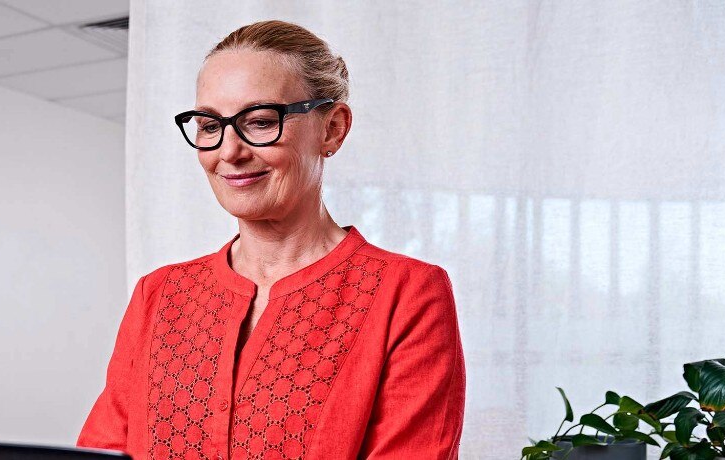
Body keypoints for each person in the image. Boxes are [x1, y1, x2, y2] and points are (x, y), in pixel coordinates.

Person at [76, 20, 465, 460]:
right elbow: (103, 448)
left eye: (260, 122)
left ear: (332, 129)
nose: (229, 152)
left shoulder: (407, 294)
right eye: (209, 126)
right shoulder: (159, 294)